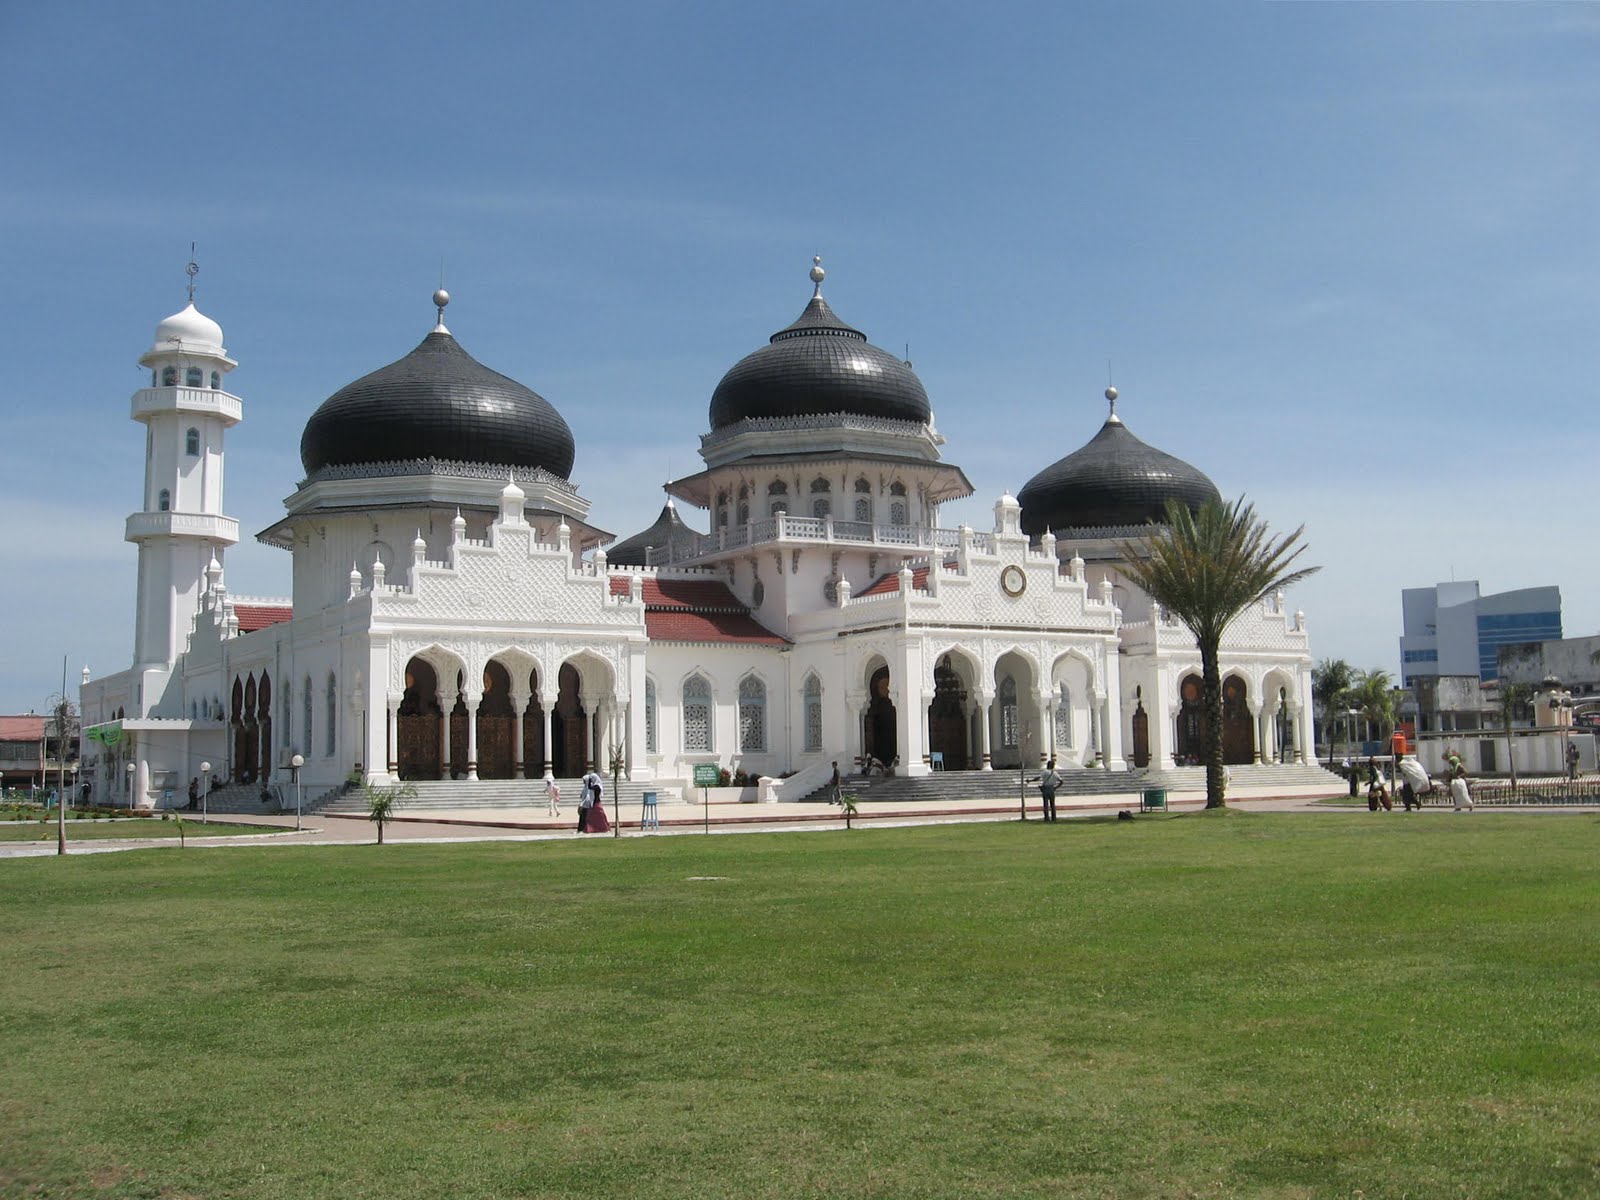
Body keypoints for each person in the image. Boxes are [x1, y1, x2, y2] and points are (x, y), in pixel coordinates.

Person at [578, 768, 605, 833]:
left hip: (594, 804)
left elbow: (588, 796)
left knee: (599, 817)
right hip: (591, 804)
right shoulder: (589, 787)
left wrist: (589, 780)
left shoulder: (597, 787)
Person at [1037, 758, 1062, 822]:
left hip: (1046, 788)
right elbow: (1061, 781)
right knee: (1052, 804)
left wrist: (1030, 780)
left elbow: (1038, 777)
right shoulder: (1055, 773)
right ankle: (1054, 817)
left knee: (1046, 804)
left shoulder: (1045, 772)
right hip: (1052, 788)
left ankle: (1046, 818)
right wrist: (1055, 788)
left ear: (1048, 765)